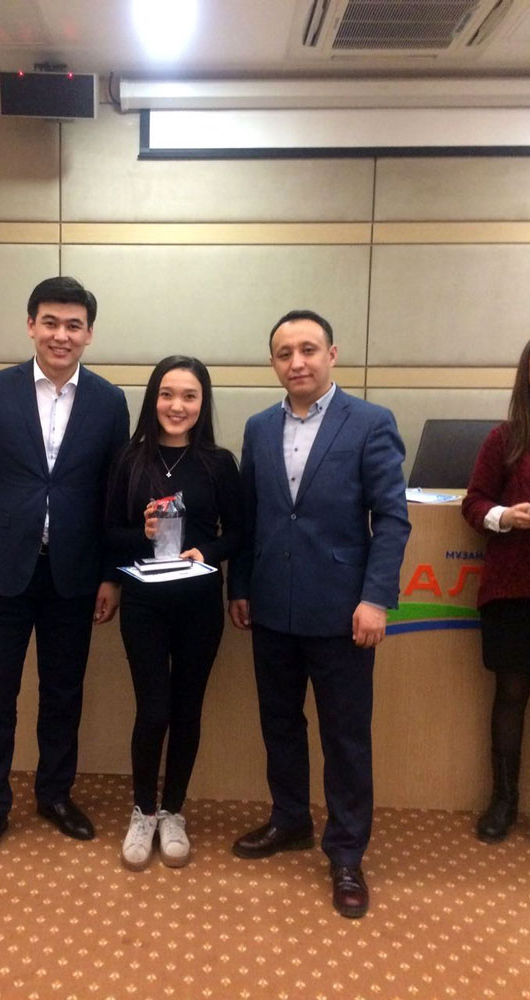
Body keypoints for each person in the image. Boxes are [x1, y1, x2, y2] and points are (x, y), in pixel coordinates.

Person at [228, 309, 410, 919]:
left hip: (343, 612)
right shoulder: (258, 427)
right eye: (285, 353)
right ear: (273, 363)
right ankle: (290, 821)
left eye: (308, 349)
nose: (297, 362)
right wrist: (240, 586)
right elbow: (251, 517)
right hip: (272, 608)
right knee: (279, 724)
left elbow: (392, 519)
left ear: (332, 354)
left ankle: (347, 852)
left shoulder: (371, 422)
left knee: (345, 737)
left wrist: (375, 598)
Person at [0, 275, 129, 869]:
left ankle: (54, 795)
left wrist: (111, 575)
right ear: (31, 326)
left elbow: (115, 500)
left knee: (63, 693)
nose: (61, 334)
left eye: (74, 325)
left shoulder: (109, 401)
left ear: (89, 334)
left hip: (74, 574)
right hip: (0, 570)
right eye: (50, 322)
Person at [106, 356, 242, 870]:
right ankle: (143, 810)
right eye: (167, 394)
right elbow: (107, 534)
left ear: (203, 403)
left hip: (199, 604)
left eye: (189, 396)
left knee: (187, 709)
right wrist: (140, 535)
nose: (177, 405)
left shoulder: (218, 463)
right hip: (144, 603)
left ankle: (173, 811)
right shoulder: (129, 460)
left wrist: (209, 550)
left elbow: (240, 532)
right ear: (153, 399)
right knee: (153, 710)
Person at [462, 333, 530, 843]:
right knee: (511, 694)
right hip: (513, 588)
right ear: (525, 378)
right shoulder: (505, 438)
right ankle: (504, 800)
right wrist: (506, 517)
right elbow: (473, 504)